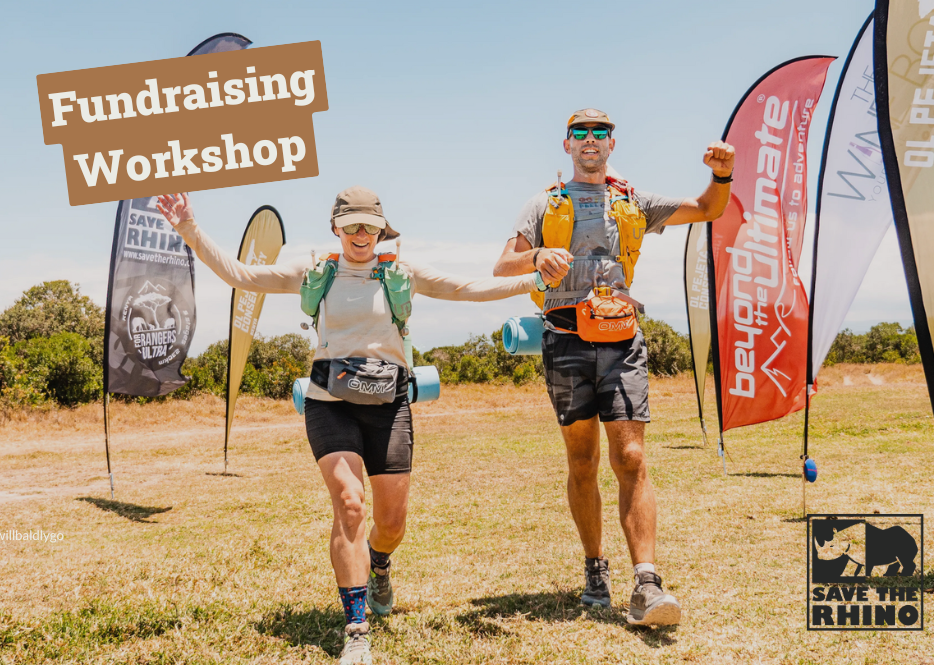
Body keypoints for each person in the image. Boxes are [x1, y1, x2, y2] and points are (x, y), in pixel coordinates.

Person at [157, 187, 561, 665]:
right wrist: (190, 229)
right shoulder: (314, 273)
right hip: (330, 403)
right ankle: (356, 627)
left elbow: (467, 289)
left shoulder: (400, 275)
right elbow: (241, 275)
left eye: (369, 225)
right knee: (350, 504)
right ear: (336, 228)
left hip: (389, 406)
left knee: (390, 525)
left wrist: (536, 279)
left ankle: (381, 563)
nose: (360, 234)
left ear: (381, 228)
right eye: (350, 225)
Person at [493, 109, 734, 627]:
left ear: (611, 143)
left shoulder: (633, 202)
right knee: (582, 460)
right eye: (580, 132)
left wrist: (722, 173)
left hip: (622, 340)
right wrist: (537, 257)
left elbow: (709, 207)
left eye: (599, 132)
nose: (590, 139)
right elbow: (502, 267)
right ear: (566, 145)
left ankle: (646, 582)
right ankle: (594, 567)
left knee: (630, 456)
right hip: (564, 339)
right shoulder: (544, 203)